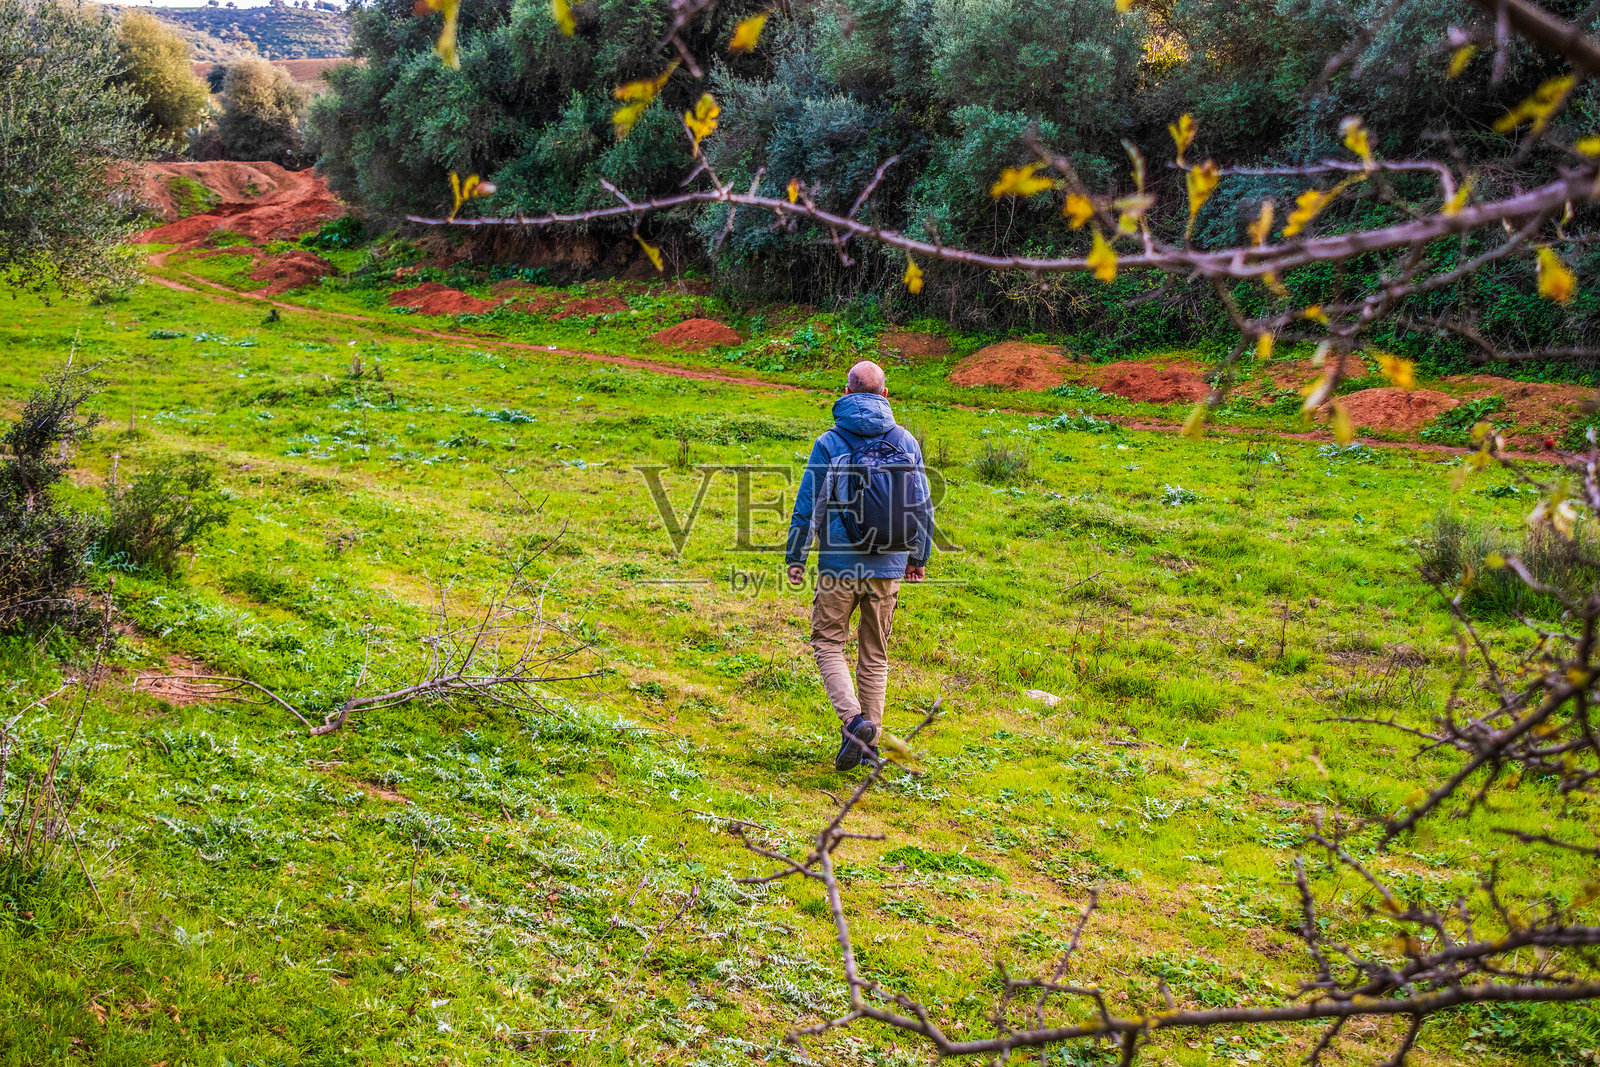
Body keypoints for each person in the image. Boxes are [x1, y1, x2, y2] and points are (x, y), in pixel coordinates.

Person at [786, 360, 932, 770]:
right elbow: (921, 506)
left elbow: (808, 506)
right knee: (875, 652)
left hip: (838, 565)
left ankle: (854, 721)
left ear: (847, 392)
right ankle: (868, 748)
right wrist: (918, 557)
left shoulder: (830, 442)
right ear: (885, 395)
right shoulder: (905, 441)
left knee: (828, 643)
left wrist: (796, 555)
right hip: (889, 563)